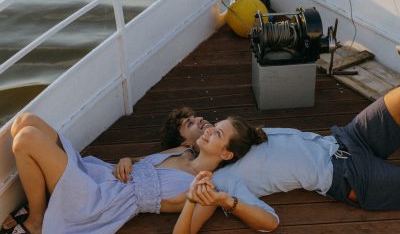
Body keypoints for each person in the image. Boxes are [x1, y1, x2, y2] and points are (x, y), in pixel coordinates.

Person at [171, 86, 400, 233]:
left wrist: (133, 161)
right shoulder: (224, 181)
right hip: (349, 176)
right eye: (214, 133)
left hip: (345, 138)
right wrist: (220, 201)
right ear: (226, 154)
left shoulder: (236, 136)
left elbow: (158, 157)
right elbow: (270, 222)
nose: (207, 129)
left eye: (215, 128)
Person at [2, 112, 265, 234]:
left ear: (227, 154)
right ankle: (47, 208)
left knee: (26, 139)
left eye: (217, 133)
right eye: (214, 126)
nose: (208, 129)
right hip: (102, 174)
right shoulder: (181, 151)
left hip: (102, 201)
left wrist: (193, 200)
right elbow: (140, 161)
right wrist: (126, 159)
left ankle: (37, 222)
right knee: (26, 120)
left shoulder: (205, 190)